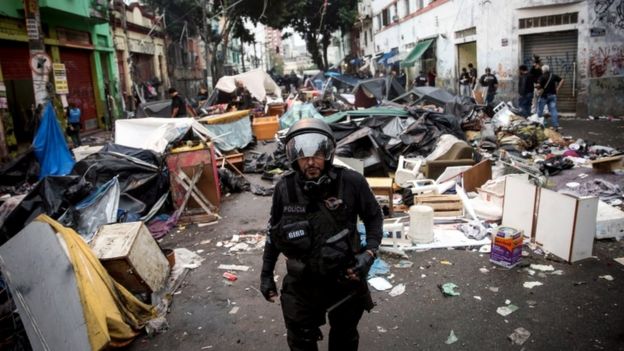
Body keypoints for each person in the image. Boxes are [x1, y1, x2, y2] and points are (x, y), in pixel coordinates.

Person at [260, 118, 383, 351]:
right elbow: (273, 234)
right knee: (300, 342)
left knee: (344, 339)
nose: (310, 161)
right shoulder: (284, 189)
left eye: (317, 154)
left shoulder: (352, 182)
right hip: (302, 285)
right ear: (293, 157)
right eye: (303, 155)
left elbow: (374, 218)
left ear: (328, 153)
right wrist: (266, 275)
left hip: (345, 280)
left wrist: (368, 254)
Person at [536, 64, 564, 130]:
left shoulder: (542, 77)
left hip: (544, 96)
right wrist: (557, 88)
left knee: (540, 110)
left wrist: (536, 86)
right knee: (553, 110)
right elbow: (562, 80)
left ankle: (538, 124)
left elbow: (538, 86)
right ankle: (555, 126)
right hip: (552, 96)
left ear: (543, 70)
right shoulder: (553, 75)